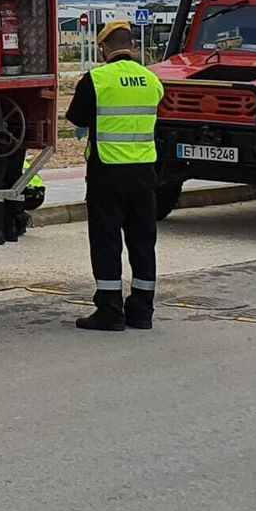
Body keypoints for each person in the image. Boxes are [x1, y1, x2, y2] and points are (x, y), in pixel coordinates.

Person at [64, 22, 164, 332]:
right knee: (143, 242)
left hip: (107, 171)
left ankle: (110, 310)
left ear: (104, 48)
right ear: (133, 46)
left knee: (107, 240)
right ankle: (142, 311)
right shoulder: (153, 80)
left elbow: (76, 118)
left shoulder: (97, 79)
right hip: (145, 172)